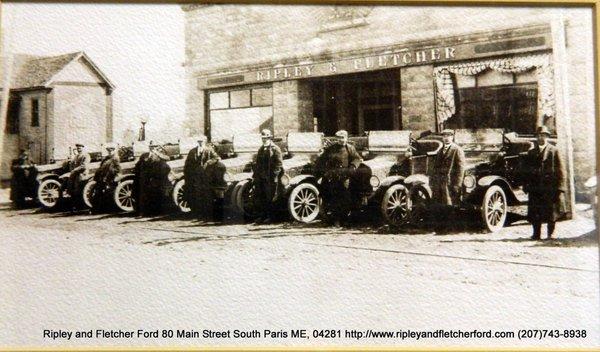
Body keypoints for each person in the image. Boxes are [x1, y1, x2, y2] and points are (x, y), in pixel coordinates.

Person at [524, 125, 566, 240]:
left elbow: (561, 170)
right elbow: (527, 170)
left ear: (547, 137)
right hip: (536, 187)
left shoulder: (554, 151)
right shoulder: (531, 152)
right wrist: (526, 185)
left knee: (551, 211)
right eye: (539, 136)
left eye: (543, 135)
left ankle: (550, 234)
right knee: (535, 212)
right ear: (536, 137)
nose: (541, 138)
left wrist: (560, 187)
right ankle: (536, 234)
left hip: (550, 187)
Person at [317, 129, 362, 226]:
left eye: (342, 138)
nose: (340, 140)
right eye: (338, 138)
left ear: (346, 138)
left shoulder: (350, 148)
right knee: (332, 198)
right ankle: (334, 220)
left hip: (345, 176)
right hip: (332, 177)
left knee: (344, 198)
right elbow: (321, 160)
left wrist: (353, 167)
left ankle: (344, 220)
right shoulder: (331, 148)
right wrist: (325, 172)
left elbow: (357, 158)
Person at [428, 129, 465, 231]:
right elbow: (435, 168)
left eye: (448, 136)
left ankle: (450, 228)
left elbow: (461, 168)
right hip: (439, 182)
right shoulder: (440, 150)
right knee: (439, 205)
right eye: (444, 136)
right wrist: (432, 181)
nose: (446, 138)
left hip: (450, 183)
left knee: (450, 206)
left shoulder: (457, 150)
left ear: (452, 137)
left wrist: (457, 184)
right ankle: (440, 227)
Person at [183, 135, 220, 220]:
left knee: (206, 195)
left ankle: (207, 214)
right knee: (196, 195)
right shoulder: (192, 151)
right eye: (199, 141)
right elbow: (187, 164)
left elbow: (217, 158)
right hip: (195, 178)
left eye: (202, 141)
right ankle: (198, 214)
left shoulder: (209, 150)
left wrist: (208, 162)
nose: (200, 143)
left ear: (205, 141)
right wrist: (187, 175)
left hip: (206, 177)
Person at [252, 129, 283, 224]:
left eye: (266, 138)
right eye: (262, 138)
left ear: (269, 138)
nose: (264, 140)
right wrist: (255, 175)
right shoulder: (261, 149)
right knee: (262, 197)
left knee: (271, 198)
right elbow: (258, 163)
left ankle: (271, 217)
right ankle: (263, 216)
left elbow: (279, 164)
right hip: (261, 177)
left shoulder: (275, 149)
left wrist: (274, 176)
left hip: (270, 178)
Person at [137, 145, 172, 216]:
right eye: (151, 147)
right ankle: (151, 211)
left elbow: (165, 170)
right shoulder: (151, 160)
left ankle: (159, 211)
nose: (152, 156)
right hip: (153, 181)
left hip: (161, 182)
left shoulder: (162, 163)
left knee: (159, 195)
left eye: (154, 155)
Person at [91, 143, 121, 213]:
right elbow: (100, 168)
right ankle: (98, 209)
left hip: (110, 177)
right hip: (102, 178)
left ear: (113, 151)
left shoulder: (115, 158)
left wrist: (115, 175)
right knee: (98, 193)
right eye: (109, 151)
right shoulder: (106, 159)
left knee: (107, 193)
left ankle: (108, 209)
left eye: (111, 151)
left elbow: (118, 169)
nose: (110, 152)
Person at [68, 143, 91, 209]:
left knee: (78, 189)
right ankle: (75, 204)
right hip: (75, 174)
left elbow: (84, 166)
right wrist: (72, 170)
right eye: (77, 148)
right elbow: (72, 164)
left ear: (83, 148)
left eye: (80, 148)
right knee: (71, 188)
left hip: (82, 174)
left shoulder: (86, 155)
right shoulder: (76, 156)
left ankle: (81, 205)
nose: (79, 149)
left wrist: (75, 170)